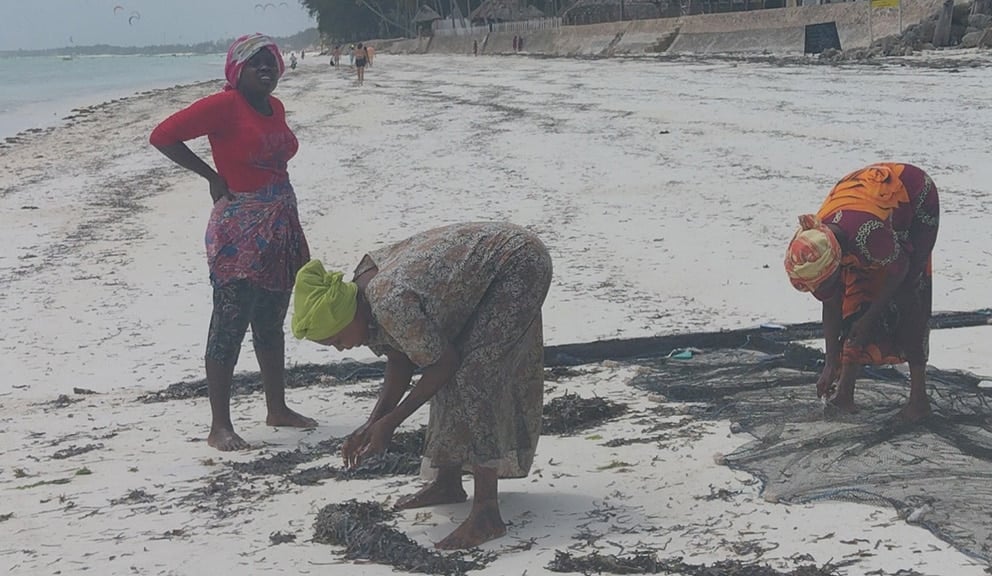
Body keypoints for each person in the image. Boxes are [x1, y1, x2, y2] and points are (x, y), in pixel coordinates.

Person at [292, 222, 552, 549]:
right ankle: (447, 482)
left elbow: (443, 364)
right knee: (444, 358)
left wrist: (391, 422)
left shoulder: (387, 302)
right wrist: (373, 423)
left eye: (338, 340)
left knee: (474, 374)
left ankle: (487, 512)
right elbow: (402, 357)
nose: (341, 349)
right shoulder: (359, 299)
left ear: (349, 317)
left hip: (517, 262)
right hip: (481, 276)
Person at [149, 34, 315, 451]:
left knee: (270, 320)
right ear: (236, 70)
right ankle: (219, 425)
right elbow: (162, 135)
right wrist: (211, 176)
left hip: (280, 224)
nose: (267, 69)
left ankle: (276, 407)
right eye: (256, 62)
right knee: (229, 321)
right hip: (240, 227)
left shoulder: (274, 107)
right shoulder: (224, 106)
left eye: (272, 62)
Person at [785, 163, 939, 422]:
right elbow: (832, 303)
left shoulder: (869, 237)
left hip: (914, 195)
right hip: (863, 215)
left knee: (909, 294)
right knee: (854, 301)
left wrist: (870, 317)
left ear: (836, 262)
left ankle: (919, 401)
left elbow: (900, 270)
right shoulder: (815, 240)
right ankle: (844, 394)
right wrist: (830, 362)